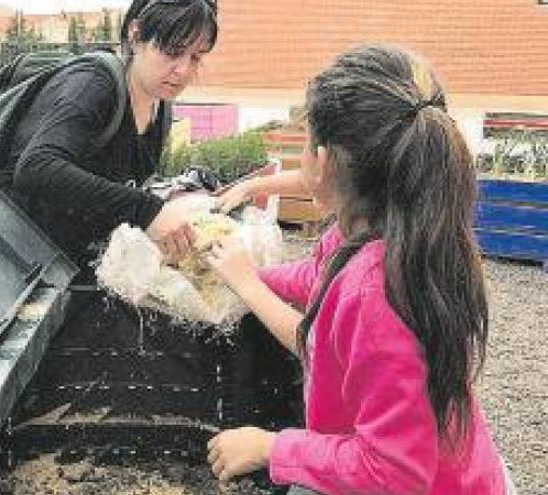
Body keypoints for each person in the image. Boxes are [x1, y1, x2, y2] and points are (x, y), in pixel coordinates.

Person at [204, 44, 513, 494]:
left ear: (325, 161)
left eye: (305, 141)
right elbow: (316, 280)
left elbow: (395, 473)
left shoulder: (377, 292)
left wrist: (273, 447)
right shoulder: (390, 227)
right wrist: (244, 273)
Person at [4, 0, 219, 277]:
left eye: (196, 57)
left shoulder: (160, 104)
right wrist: (146, 210)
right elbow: (36, 167)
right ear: (135, 33)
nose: (183, 71)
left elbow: (114, 190)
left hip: (79, 264)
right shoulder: (92, 85)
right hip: (18, 261)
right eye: (172, 51)